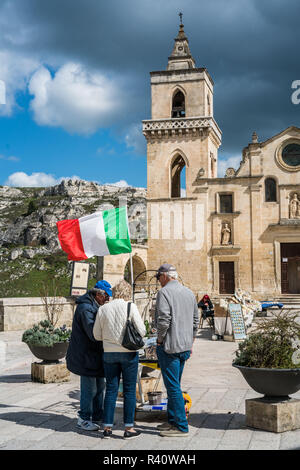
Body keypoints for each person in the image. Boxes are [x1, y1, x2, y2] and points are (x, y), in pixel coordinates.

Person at [93, 279, 146, 440]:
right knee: (129, 390)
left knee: (111, 389)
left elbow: (96, 335)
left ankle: (107, 427)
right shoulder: (131, 307)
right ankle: (128, 428)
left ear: (114, 292)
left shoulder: (103, 309)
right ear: (127, 293)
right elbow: (142, 331)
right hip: (128, 353)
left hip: (109, 353)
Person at [154, 263, 199, 437]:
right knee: (175, 385)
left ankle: (181, 425)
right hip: (185, 346)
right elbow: (196, 320)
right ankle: (172, 420)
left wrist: (159, 339)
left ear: (165, 276)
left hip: (170, 346)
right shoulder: (188, 292)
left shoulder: (164, 293)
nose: (158, 281)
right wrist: (191, 340)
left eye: (159, 277)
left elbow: (164, 319)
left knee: (172, 387)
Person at [66, 280, 112, 431]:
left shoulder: (94, 306)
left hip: (94, 355)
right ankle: (84, 418)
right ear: (98, 294)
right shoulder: (86, 309)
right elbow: (93, 333)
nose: (108, 300)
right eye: (106, 297)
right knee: (89, 388)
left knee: (100, 386)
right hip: (85, 356)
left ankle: (97, 415)